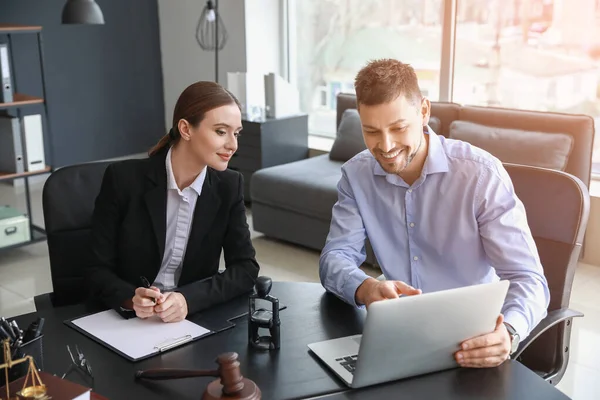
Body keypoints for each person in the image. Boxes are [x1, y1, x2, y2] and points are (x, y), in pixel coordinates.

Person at [319, 59, 550, 368]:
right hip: (400, 333)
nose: (385, 146)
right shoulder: (356, 175)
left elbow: (527, 278)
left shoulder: (481, 175)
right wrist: (366, 286)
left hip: (471, 340)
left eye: (398, 128)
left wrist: (509, 331)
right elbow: (334, 257)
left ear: (424, 111)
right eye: (371, 131)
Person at [86, 81, 259, 323]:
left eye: (236, 133)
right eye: (221, 131)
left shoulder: (229, 186)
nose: (233, 144)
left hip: (189, 321)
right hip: (128, 322)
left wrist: (188, 299)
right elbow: (96, 269)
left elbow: (245, 269)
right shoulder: (123, 180)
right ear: (186, 129)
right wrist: (130, 298)